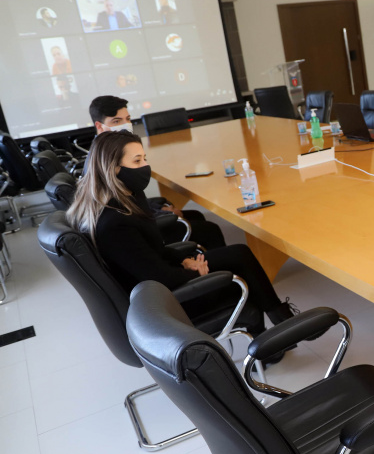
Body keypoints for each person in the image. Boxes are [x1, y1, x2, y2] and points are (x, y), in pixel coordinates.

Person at [66, 130, 301, 362]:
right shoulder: (114, 223)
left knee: (239, 253)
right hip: (164, 302)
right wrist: (189, 272)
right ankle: (277, 333)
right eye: (137, 161)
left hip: (158, 285)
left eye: (144, 158)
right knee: (240, 269)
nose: (145, 166)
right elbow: (157, 277)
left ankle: (282, 324)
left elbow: (151, 250)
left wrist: (183, 260)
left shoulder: (124, 199)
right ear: (113, 168)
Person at [88, 96, 226, 249]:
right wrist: (163, 214)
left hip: (142, 220)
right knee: (210, 230)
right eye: (116, 121)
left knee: (196, 215)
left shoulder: (105, 151)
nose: (125, 125)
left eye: (127, 119)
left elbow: (133, 200)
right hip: (144, 234)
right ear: (99, 127)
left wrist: (158, 209)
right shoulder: (104, 162)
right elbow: (125, 210)